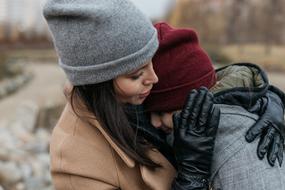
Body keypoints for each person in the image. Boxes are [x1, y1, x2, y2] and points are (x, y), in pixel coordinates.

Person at [43, 0, 221, 190]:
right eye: (136, 75)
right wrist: (192, 179)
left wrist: (249, 92)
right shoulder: (75, 161)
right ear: (99, 82)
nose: (154, 78)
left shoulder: (131, 99)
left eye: (151, 61)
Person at [133, 22, 285, 190]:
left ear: (194, 103)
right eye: (148, 112)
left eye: (162, 111)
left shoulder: (245, 147)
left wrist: (193, 181)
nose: (154, 122)